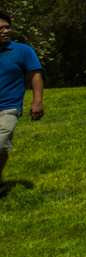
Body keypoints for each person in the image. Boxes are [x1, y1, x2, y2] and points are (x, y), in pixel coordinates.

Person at [0, 11, 43, 192]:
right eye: (0, 28)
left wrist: (37, 101)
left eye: (7, 27)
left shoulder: (23, 51)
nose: (5, 31)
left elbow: (35, 75)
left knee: (0, 142)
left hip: (8, 106)